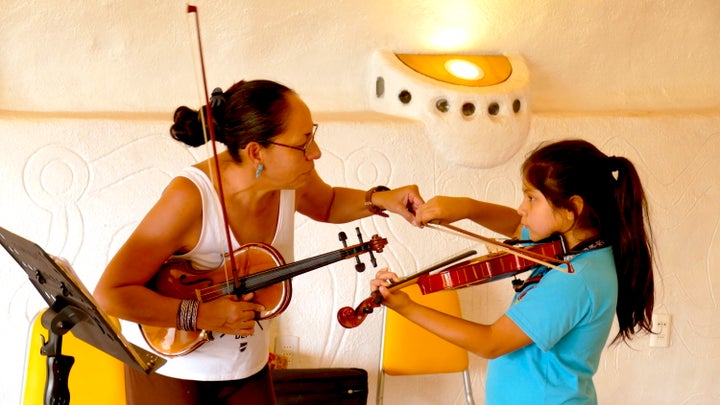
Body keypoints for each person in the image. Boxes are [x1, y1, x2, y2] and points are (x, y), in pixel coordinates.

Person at [93, 79, 423, 405]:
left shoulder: (288, 179)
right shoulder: (190, 198)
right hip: (171, 369)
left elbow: (328, 203)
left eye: (314, 136)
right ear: (256, 152)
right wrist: (202, 316)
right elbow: (111, 293)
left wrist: (384, 199)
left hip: (245, 366)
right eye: (303, 143)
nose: (316, 153)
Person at [373, 139, 655, 404]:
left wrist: (407, 308)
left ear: (573, 208)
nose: (521, 208)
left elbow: (491, 342)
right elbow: (514, 227)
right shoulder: (568, 247)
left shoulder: (577, 278)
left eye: (531, 198)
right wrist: (468, 207)